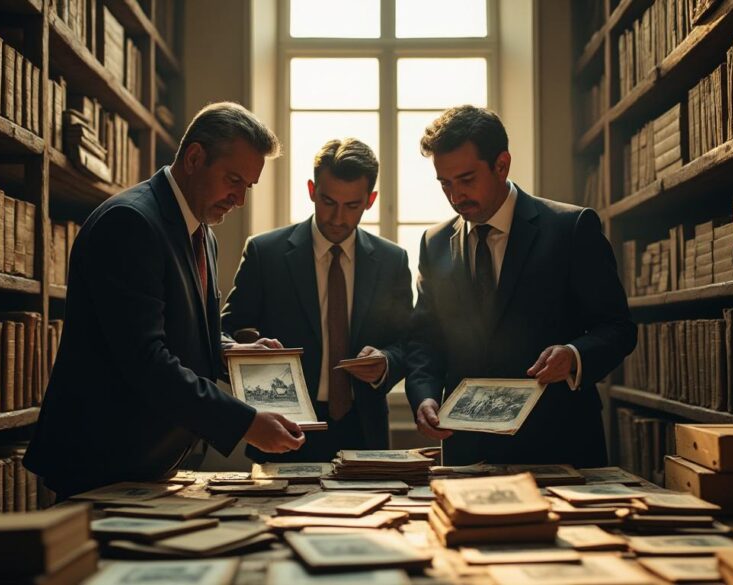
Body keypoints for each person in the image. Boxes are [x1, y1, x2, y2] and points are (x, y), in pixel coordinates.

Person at [24, 102, 305, 498]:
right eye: (233, 180)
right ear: (194, 158)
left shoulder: (202, 232)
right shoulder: (130, 223)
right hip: (102, 460)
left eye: (248, 186)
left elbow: (182, 330)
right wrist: (244, 422)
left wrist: (232, 353)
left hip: (151, 462)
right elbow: (145, 359)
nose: (239, 199)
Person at [405, 105, 636, 467]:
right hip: (466, 449)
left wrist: (574, 355)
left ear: (502, 165)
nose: (455, 196)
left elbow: (618, 328)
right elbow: (424, 340)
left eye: (466, 180)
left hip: (557, 445)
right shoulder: (433, 243)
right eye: (445, 184)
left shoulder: (571, 228)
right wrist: (424, 396)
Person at [222, 138, 412, 462]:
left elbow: (409, 342)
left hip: (364, 431)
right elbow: (223, 333)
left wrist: (386, 362)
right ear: (312, 190)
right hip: (283, 428)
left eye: (352, 206)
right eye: (328, 201)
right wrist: (248, 355)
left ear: (371, 200)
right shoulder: (265, 253)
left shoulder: (392, 260)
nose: (337, 217)